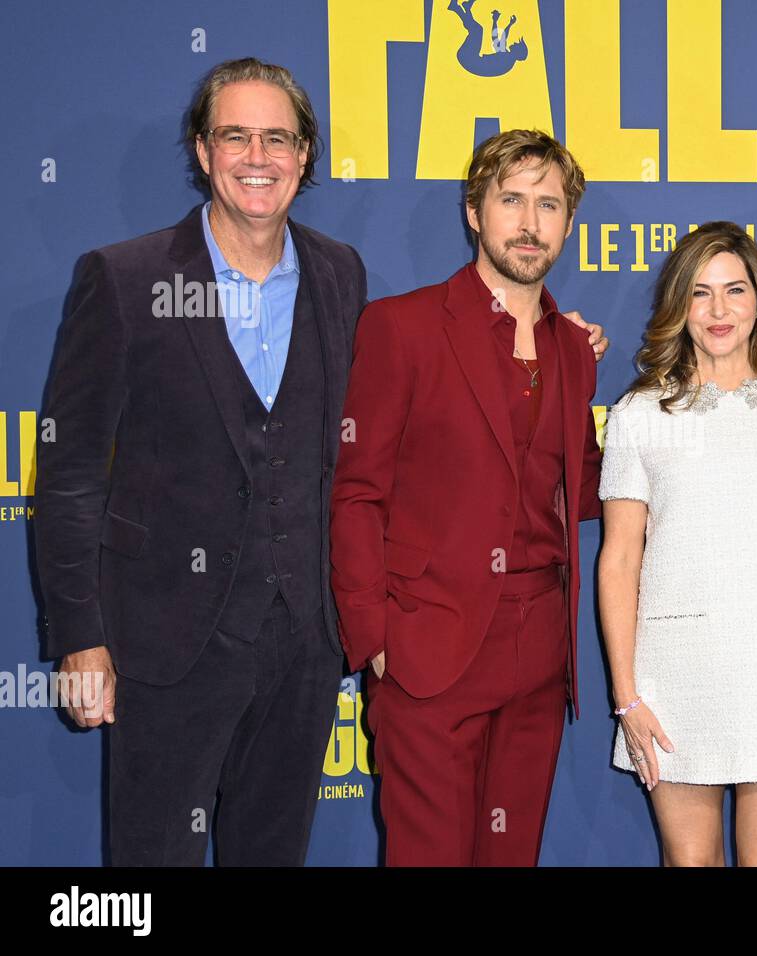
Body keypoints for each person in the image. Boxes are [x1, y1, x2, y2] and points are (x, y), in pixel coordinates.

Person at [34, 58, 367, 865]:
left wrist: (545, 339)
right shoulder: (124, 278)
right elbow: (71, 472)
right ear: (203, 149)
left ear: (306, 155)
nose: (259, 157)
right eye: (236, 136)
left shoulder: (339, 274)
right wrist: (80, 638)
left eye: (278, 138)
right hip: (164, 644)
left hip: (302, 645)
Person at [330, 129, 607, 866]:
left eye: (549, 204)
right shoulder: (403, 326)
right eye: (511, 199)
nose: (529, 221)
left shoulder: (573, 349)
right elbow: (356, 494)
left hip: (541, 653)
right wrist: (375, 640)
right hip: (429, 649)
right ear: (474, 213)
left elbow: (584, 488)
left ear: (569, 223)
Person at [597, 221, 757, 867]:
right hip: (676, 674)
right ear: (678, 306)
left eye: (735, 291)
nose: (719, 311)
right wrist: (627, 692)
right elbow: (620, 557)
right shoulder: (639, 415)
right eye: (700, 293)